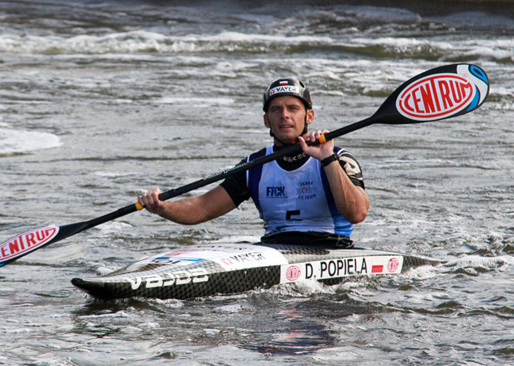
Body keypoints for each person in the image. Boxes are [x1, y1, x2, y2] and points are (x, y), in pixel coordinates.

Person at [137, 77, 369, 248]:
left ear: (309, 116)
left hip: (332, 249)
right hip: (274, 248)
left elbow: (357, 214)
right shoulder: (254, 166)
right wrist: (162, 207)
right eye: (276, 109)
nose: (284, 115)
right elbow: (202, 208)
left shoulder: (338, 158)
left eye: (293, 108)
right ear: (267, 120)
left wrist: (327, 158)